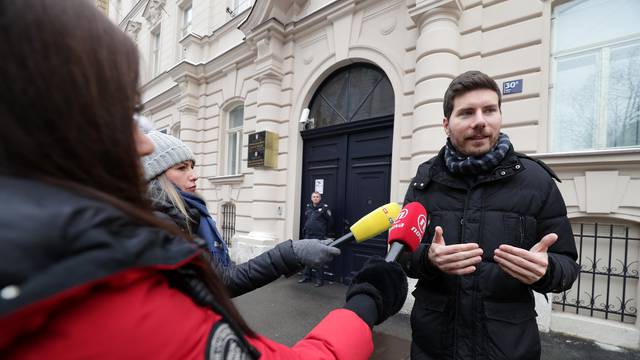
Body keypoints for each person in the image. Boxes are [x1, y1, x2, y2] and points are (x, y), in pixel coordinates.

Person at [0, 1, 408, 358]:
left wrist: (290, 253)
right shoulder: (120, 286)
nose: (142, 145)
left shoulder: (127, 241)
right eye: (120, 112)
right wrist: (366, 303)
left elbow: (219, 280)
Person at [398, 71, 580, 359]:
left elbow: (567, 266)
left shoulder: (536, 181)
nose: (480, 121)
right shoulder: (425, 181)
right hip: (433, 347)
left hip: (509, 347)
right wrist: (427, 258)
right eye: (467, 112)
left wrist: (547, 271)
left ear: (500, 116)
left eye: (489, 110)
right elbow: (400, 255)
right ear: (446, 124)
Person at [142, 131, 341, 296]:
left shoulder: (187, 212)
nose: (194, 175)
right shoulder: (159, 223)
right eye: (181, 168)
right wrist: (291, 253)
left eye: (192, 166)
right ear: (155, 176)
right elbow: (223, 281)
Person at [298, 191, 332, 287]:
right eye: (314, 197)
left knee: (318, 258)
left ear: (320, 198)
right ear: (311, 198)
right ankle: (306, 276)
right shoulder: (308, 207)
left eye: (317, 197)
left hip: (318, 236)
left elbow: (330, 222)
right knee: (307, 256)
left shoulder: (324, 208)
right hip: (308, 235)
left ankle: (319, 279)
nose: (315, 198)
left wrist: (324, 232)